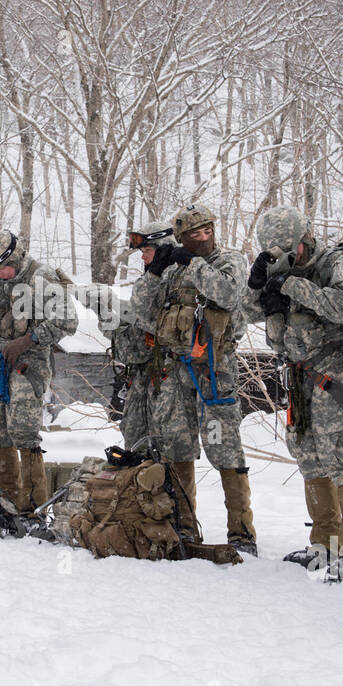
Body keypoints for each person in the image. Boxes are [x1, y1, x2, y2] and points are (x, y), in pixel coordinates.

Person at [243, 205, 343, 577]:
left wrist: (291, 285)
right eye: (274, 252)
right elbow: (247, 311)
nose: (283, 259)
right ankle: (325, 541)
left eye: (288, 250)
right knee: (308, 454)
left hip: (340, 375)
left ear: (304, 240)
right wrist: (258, 285)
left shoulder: (332, 262)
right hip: (299, 375)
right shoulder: (276, 267)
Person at [132, 203, 256, 556]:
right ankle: (185, 528)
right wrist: (154, 273)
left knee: (224, 446)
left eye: (207, 232)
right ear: (182, 237)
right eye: (194, 235)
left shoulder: (226, 261)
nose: (203, 238)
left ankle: (242, 532)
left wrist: (193, 262)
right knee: (176, 446)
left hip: (213, 370)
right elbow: (142, 316)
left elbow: (230, 295)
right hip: (174, 372)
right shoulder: (172, 271)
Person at [0, 230, 78, 514]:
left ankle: (32, 508)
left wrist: (28, 340)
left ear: (13, 258)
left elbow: (68, 321)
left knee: (23, 430)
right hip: (0, 364)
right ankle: (8, 505)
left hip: (30, 363)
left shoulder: (42, 278)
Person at [82, 219, 173, 451]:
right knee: (133, 438)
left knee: (163, 445)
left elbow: (165, 328)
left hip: (166, 377)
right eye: (142, 251)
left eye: (148, 250)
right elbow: (127, 334)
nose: (143, 257)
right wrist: (103, 312)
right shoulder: (146, 283)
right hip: (139, 376)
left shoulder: (175, 282)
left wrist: (126, 312)